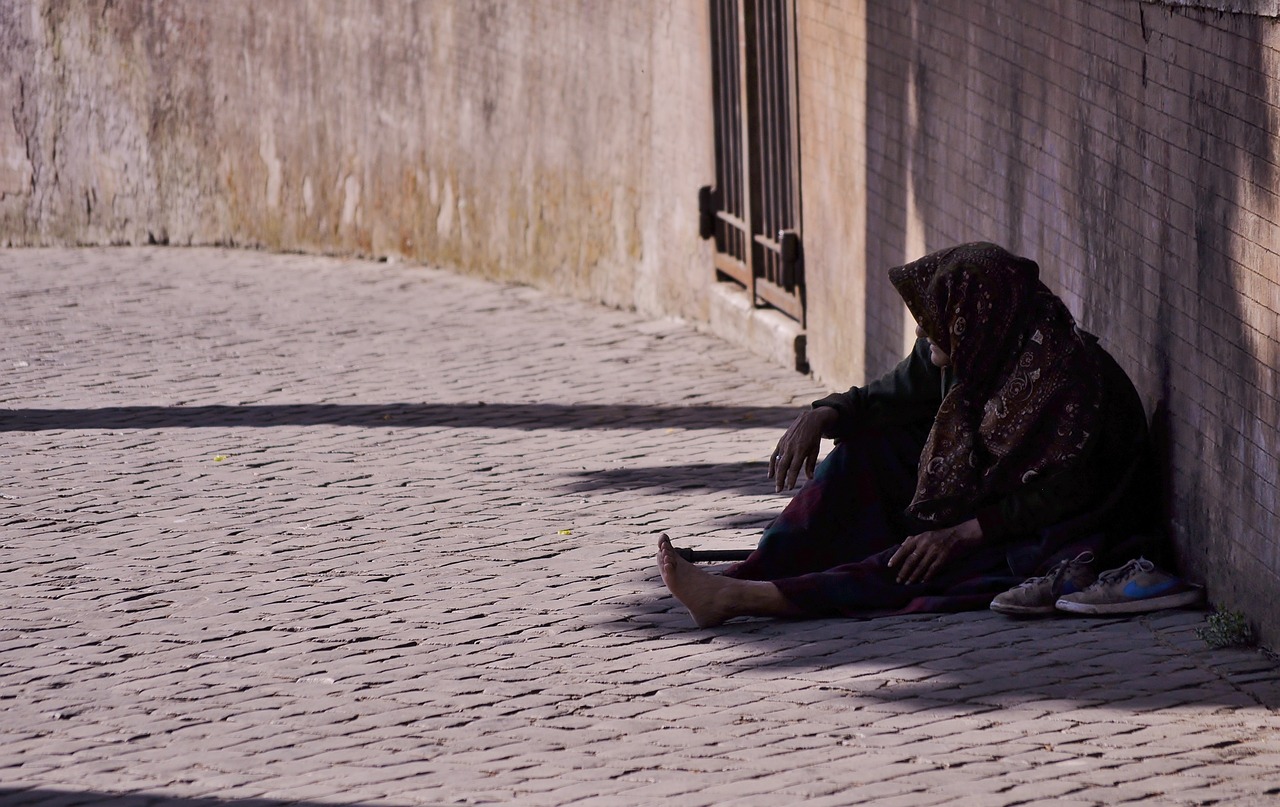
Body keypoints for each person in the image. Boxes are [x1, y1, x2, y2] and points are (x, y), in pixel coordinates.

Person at [657, 242, 1157, 627]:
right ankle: (751, 572)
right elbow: (892, 395)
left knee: (925, 560)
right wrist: (823, 415)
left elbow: (1063, 494)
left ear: (976, 318)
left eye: (934, 321)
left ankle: (745, 599)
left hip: (1061, 522)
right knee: (866, 452)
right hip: (990, 489)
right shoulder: (977, 341)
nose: (922, 333)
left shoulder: (1071, 384)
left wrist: (962, 532)